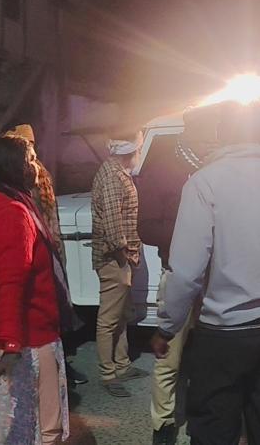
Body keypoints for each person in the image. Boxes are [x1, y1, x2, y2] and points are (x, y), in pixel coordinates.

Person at [152, 99, 260, 444]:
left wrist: (167, 326)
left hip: (222, 332)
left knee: (214, 429)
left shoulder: (204, 183)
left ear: (222, 130)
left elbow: (186, 271)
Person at [0, 135, 71, 444]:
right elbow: (10, 283)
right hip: (27, 342)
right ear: (13, 168)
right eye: (31, 160)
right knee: (39, 428)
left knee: (1, 432)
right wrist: (12, 345)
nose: (37, 166)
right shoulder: (13, 213)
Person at [138, 133, 199, 444]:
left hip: (216, 279)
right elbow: (146, 227)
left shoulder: (218, 167)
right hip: (176, 274)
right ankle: (163, 423)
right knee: (168, 357)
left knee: (210, 356)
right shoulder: (161, 170)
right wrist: (191, 231)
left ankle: (203, 415)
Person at [92, 132, 150, 397]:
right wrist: (124, 257)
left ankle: (122, 364)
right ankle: (108, 373)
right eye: (139, 149)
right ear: (131, 151)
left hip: (118, 257)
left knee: (121, 314)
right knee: (108, 319)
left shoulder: (115, 172)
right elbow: (113, 224)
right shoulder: (114, 177)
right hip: (114, 258)